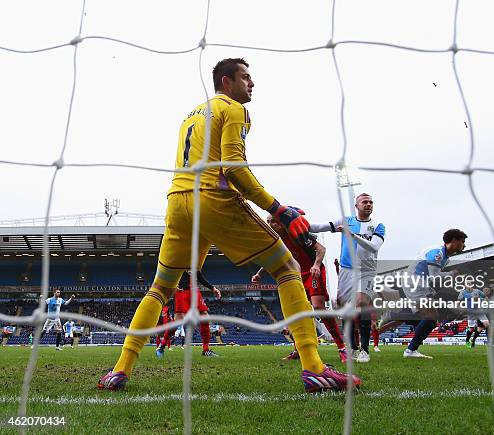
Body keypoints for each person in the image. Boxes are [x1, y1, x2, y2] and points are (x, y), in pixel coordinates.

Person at [98, 58, 359, 393]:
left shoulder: (191, 114)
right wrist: (279, 209)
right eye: (246, 77)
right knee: (288, 268)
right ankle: (314, 367)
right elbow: (234, 167)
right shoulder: (234, 109)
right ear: (226, 81)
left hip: (178, 202)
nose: (252, 84)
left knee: (160, 289)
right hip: (213, 199)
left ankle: (120, 369)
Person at [252, 214, 348, 363]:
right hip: (295, 275)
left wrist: (316, 265)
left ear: (282, 223)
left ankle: (342, 348)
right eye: (268, 222)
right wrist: (258, 274)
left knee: (318, 307)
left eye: (274, 222)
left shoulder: (298, 234)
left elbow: (321, 249)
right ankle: (299, 350)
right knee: (296, 314)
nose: (271, 225)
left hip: (312, 271)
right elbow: (272, 259)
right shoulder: (275, 242)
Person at [310, 193, 386, 363]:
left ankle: (365, 351)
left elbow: (374, 247)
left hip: (366, 269)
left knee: (361, 303)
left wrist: (352, 235)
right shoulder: (346, 220)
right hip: (346, 270)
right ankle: (352, 348)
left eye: (371, 202)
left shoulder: (378, 226)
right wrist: (296, 224)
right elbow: (319, 227)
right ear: (357, 206)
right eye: (364, 202)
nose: (368, 204)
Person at [402, 229, 467, 359]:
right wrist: (451, 274)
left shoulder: (444, 257)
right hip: (415, 283)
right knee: (431, 317)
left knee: (432, 320)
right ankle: (410, 350)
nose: (464, 245)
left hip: (421, 284)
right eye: (462, 242)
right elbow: (434, 278)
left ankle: (411, 348)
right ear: (453, 241)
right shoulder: (437, 253)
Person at [158, 270, 222, 357]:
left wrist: (212, 288)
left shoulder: (195, 259)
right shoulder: (178, 259)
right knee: (178, 322)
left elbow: (199, 276)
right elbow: (168, 271)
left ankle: (206, 350)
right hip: (181, 291)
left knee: (205, 316)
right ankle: (162, 346)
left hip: (194, 291)